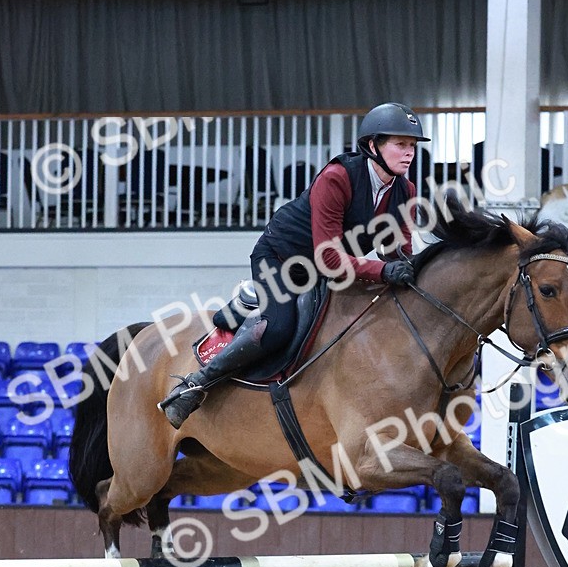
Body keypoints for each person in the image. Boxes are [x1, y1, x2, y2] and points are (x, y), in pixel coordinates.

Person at [159, 102, 429, 429]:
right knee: (277, 328)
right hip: (282, 259)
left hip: (328, 272)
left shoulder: (405, 190)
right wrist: (384, 271)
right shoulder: (337, 177)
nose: (409, 153)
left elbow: (398, 251)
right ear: (373, 146)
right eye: (400, 144)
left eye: (412, 146)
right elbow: (329, 258)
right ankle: (195, 385)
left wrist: (412, 269)